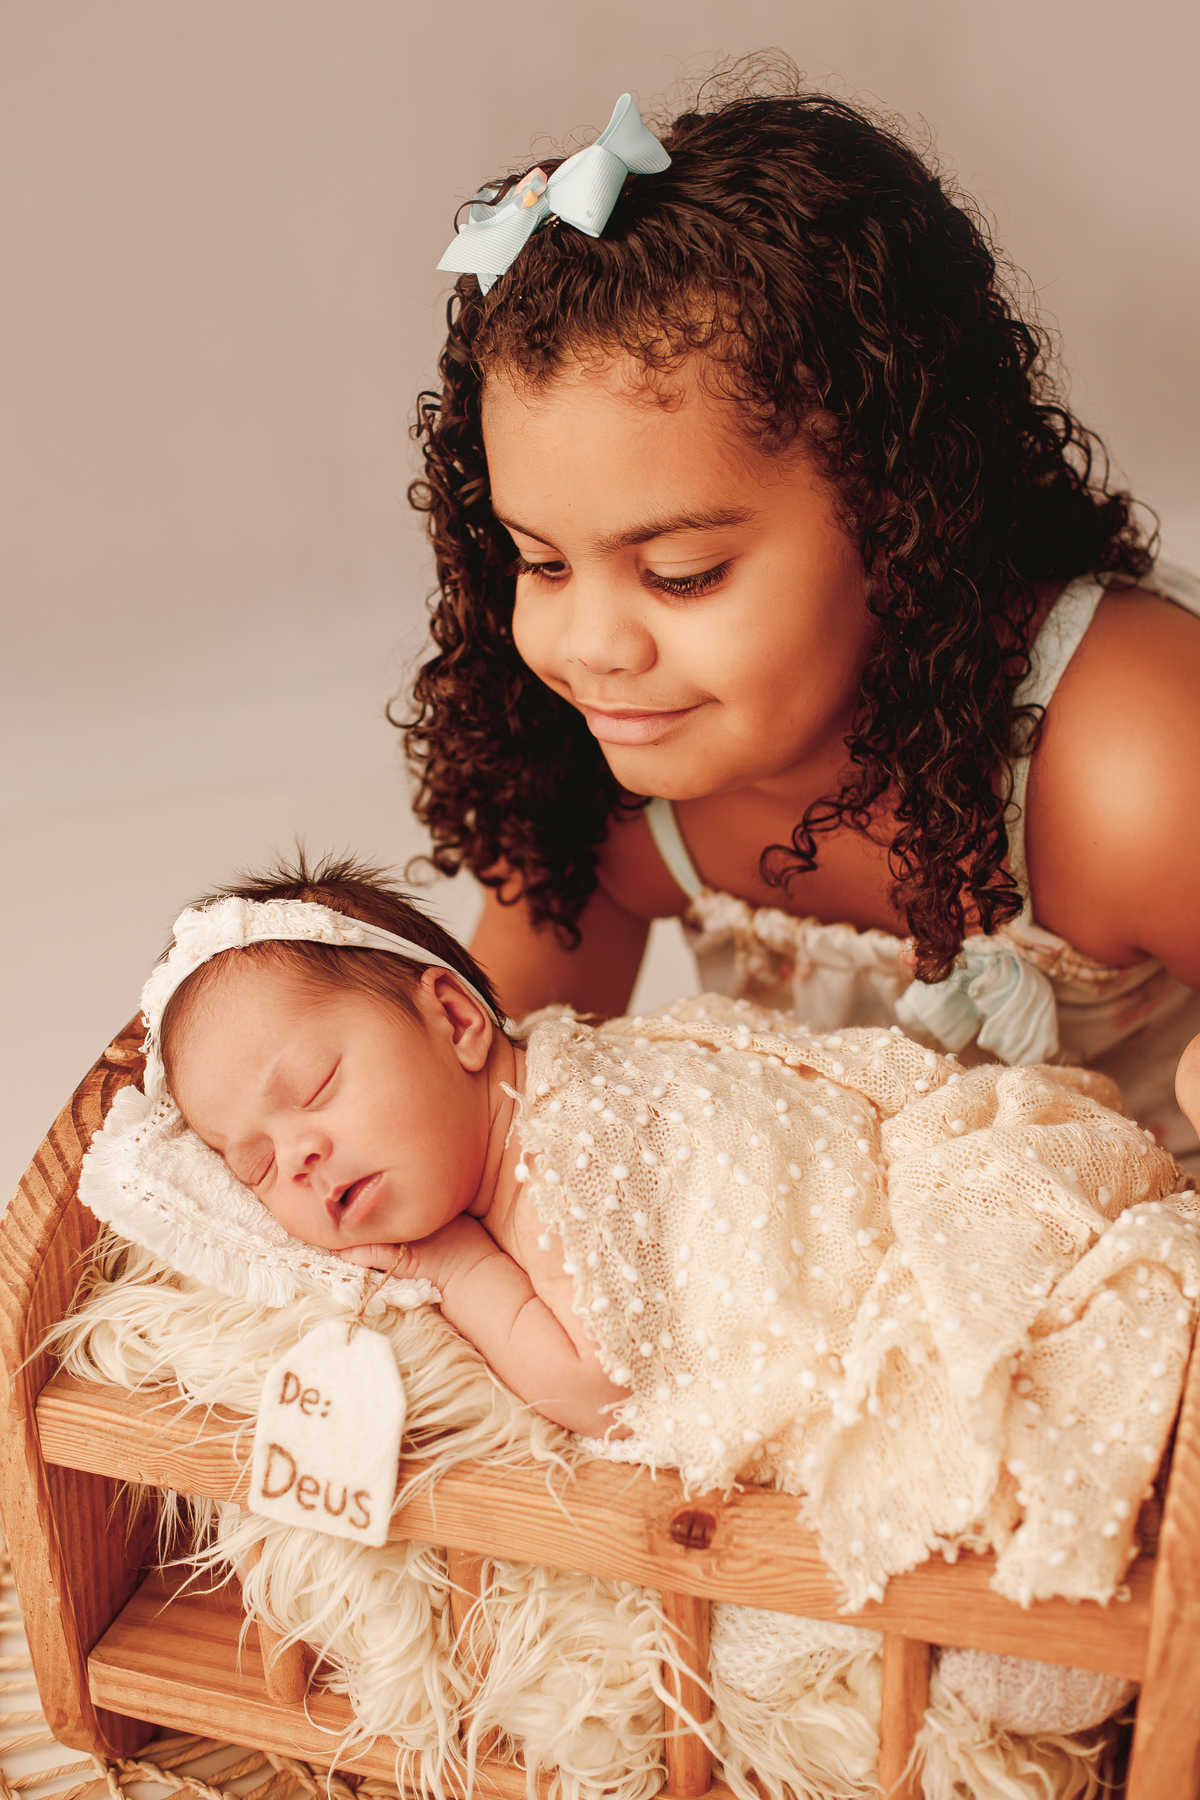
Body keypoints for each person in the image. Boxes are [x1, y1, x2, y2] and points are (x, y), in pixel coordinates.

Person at [405, 68, 1200, 1169]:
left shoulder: (1135, 773)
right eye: (540, 563)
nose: (590, 647)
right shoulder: (612, 788)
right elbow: (478, 1113)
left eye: (681, 574)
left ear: (905, 514)